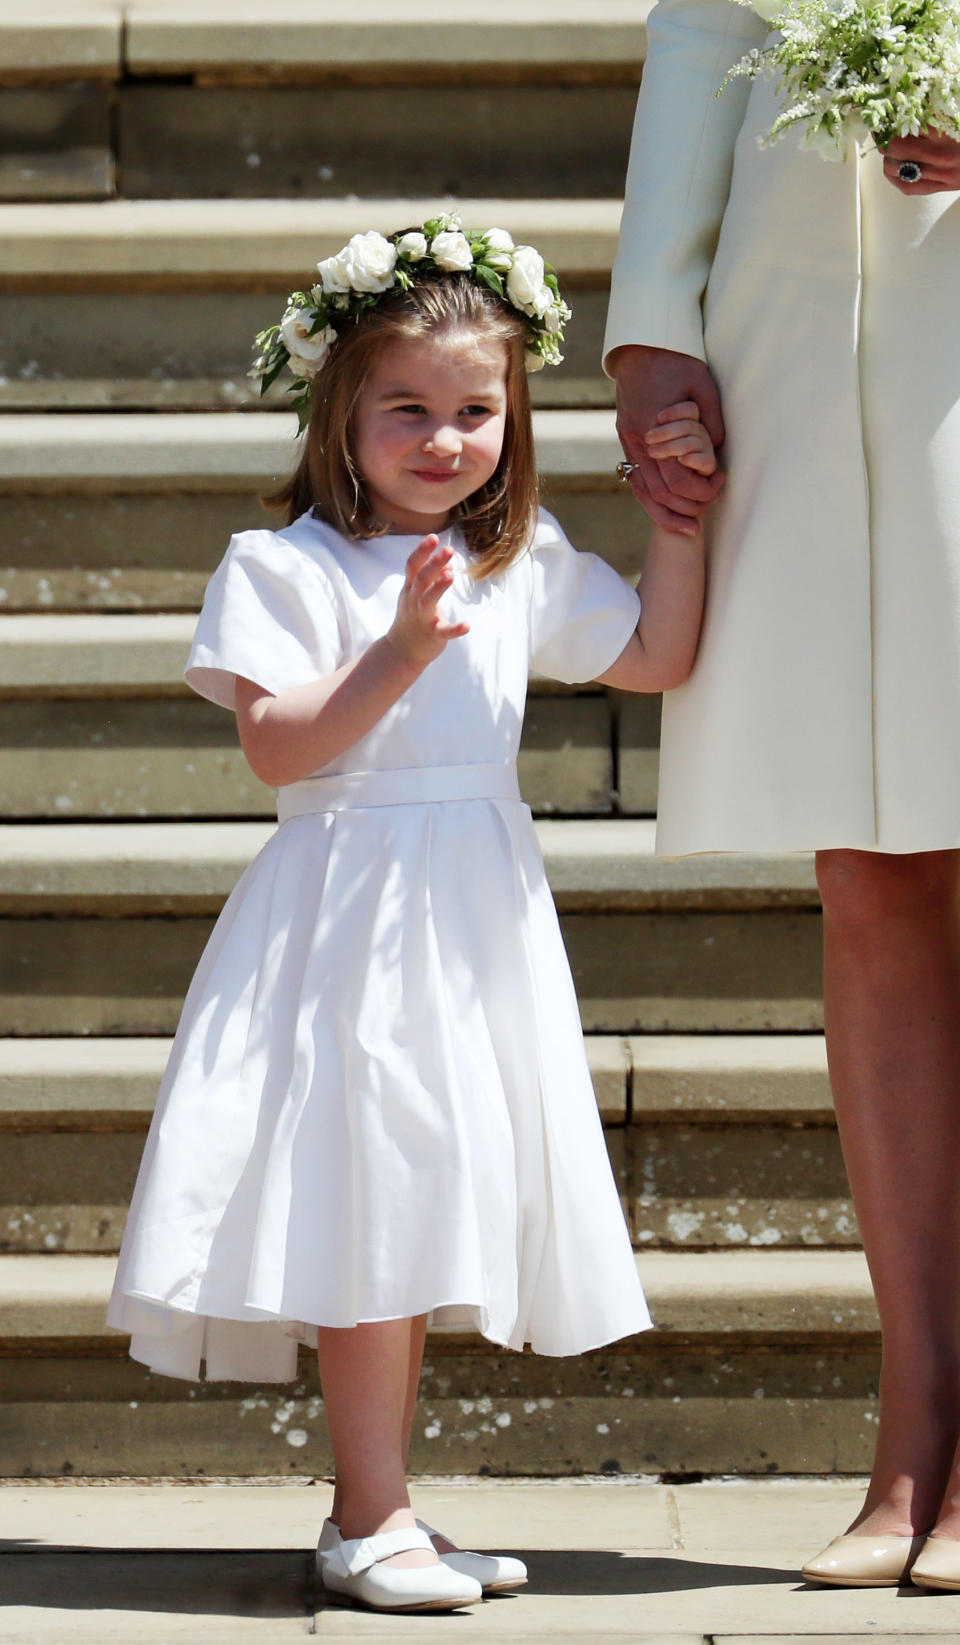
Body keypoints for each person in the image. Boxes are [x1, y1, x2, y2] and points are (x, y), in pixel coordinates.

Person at [107, 216, 715, 1614]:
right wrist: (395, 649)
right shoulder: (286, 570)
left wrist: (680, 515)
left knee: (433, 1184)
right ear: (343, 410)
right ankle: (365, 1512)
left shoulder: (518, 561)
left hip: (472, 917)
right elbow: (279, 749)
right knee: (373, 1189)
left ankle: (385, 1507)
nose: (445, 440)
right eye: (410, 410)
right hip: (348, 912)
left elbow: (660, 653)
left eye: (476, 411)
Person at [604, 0, 960, 1593]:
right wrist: (652, 315)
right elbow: (706, 22)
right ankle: (916, 1420)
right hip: (797, 345)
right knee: (871, 871)